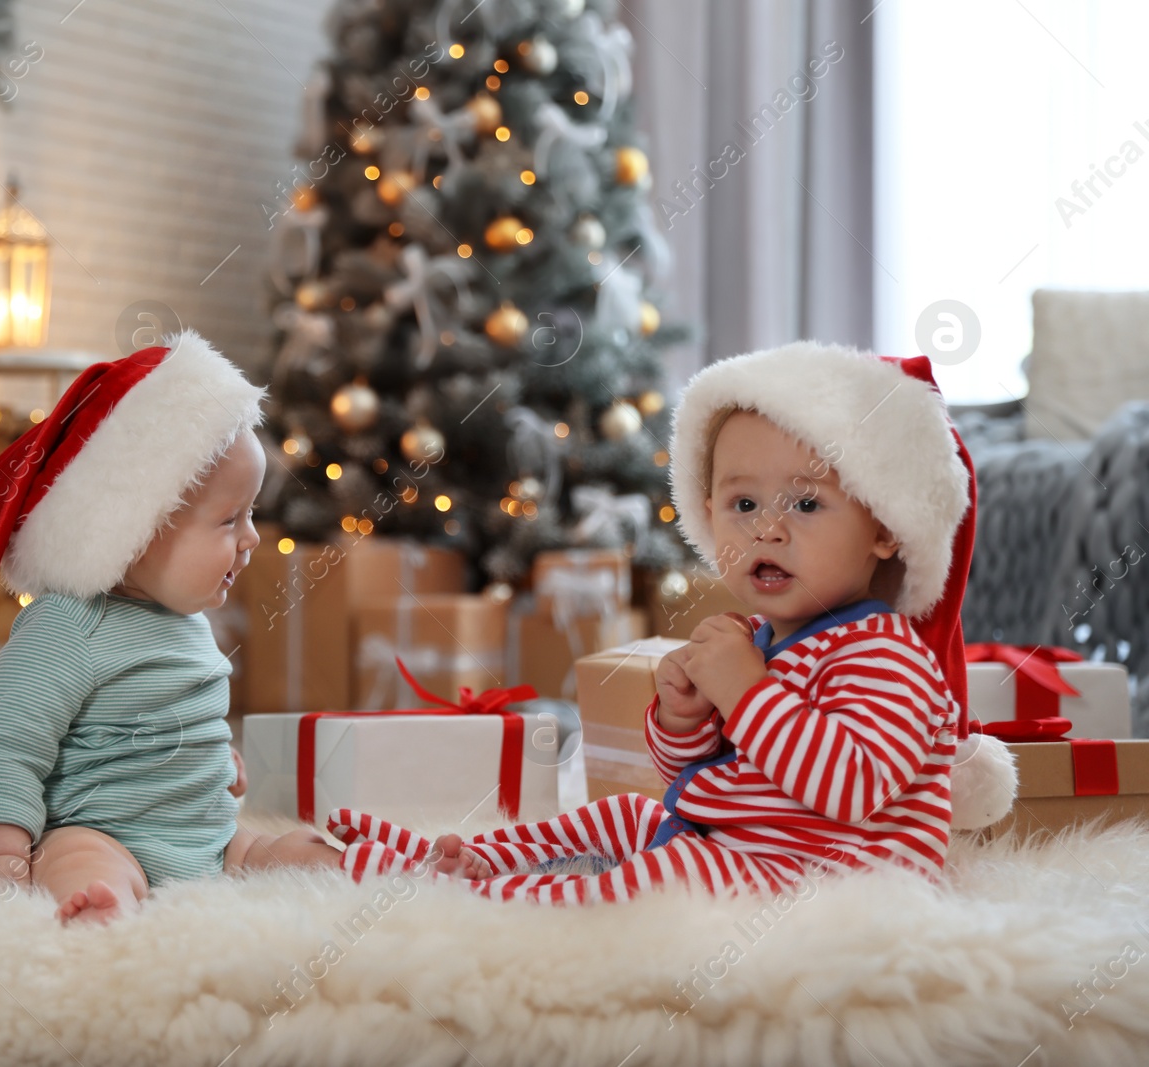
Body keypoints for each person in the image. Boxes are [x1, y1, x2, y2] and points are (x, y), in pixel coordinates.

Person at [326, 341, 1014, 903]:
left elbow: (850, 785)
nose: (767, 530)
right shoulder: (768, 641)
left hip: (835, 881)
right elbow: (701, 772)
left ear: (884, 529)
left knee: (664, 873)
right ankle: (477, 857)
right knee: (629, 813)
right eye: (742, 504)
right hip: (750, 847)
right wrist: (684, 719)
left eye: (806, 506)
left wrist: (745, 691)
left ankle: (490, 902)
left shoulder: (885, 656)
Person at [0, 332, 339, 923]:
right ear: (136, 530)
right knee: (79, 858)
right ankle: (100, 904)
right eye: (230, 520)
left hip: (210, 839)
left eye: (251, 515)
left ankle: (374, 868)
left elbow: (185, 717)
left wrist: (220, 764)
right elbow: (7, 752)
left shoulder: (186, 619)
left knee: (293, 850)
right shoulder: (66, 628)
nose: (251, 539)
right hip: (104, 831)